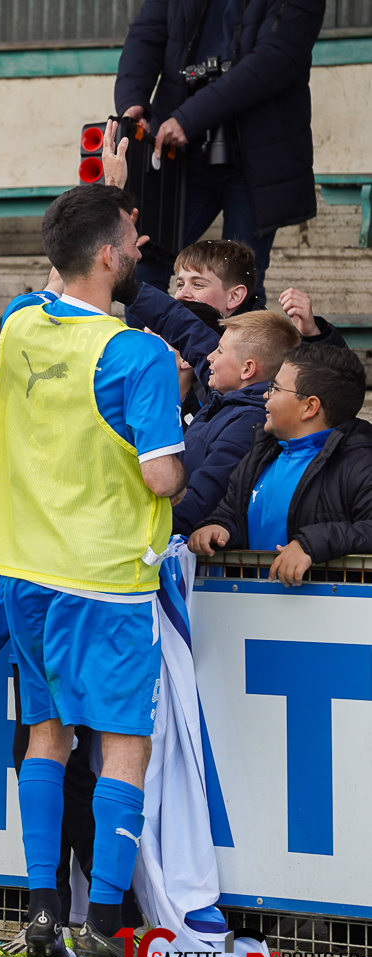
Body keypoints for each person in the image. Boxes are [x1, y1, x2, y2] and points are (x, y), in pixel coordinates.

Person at [0, 182, 187, 957]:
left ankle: (39, 909)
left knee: (46, 738)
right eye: (131, 241)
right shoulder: (137, 355)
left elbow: (59, 286)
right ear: (106, 257)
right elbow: (164, 478)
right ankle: (99, 923)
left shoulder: (22, 321)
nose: (138, 253)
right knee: (123, 748)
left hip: (26, 571)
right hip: (104, 572)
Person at [114, 0, 326, 302]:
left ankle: (232, 351)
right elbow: (145, 36)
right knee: (143, 263)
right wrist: (132, 101)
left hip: (255, 158)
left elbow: (276, 58)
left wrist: (189, 118)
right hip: (180, 157)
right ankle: (157, 350)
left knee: (238, 284)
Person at [190, 343, 372, 585]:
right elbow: (230, 513)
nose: (266, 394)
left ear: (309, 407)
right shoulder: (261, 452)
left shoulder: (360, 463)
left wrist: (311, 544)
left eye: (275, 388)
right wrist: (219, 528)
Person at [130, 293, 300, 532]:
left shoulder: (249, 422)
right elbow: (190, 333)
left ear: (248, 369)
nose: (209, 357)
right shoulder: (221, 405)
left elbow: (200, 502)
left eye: (219, 351)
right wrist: (133, 293)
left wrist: (131, 526)